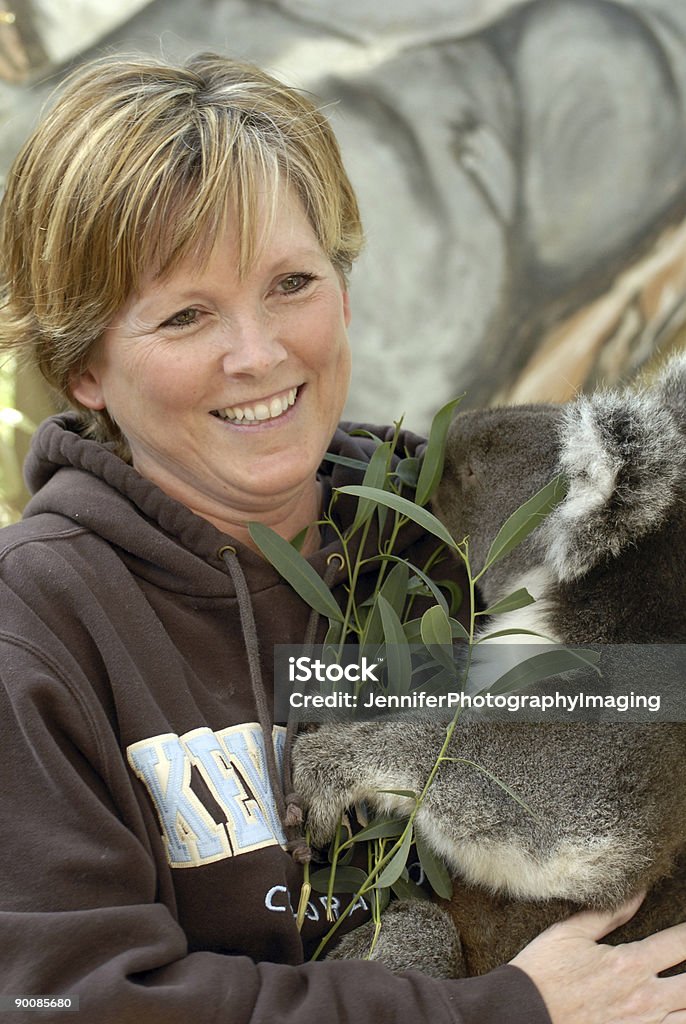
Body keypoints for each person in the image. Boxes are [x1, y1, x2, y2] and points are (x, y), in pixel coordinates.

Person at [0, 52, 684, 1024]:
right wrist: (502, 1012)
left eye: (290, 283)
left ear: (345, 290)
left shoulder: (468, 508)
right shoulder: (36, 628)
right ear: (83, 369)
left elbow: (640, 713)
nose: (259, 353)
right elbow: (70, 1002)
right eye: (188, 314)